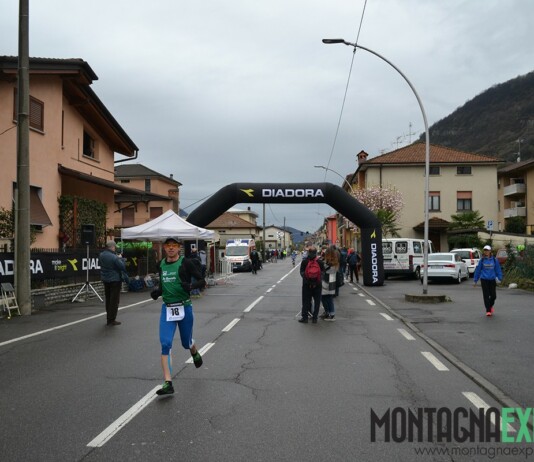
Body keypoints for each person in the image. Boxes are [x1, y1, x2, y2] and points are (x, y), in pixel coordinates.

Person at [150, 237, 206, 395]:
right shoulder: (160, 264)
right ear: (164, 248)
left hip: (184, 307)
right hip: (167, 309)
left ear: (178, 248)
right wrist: (157, 292)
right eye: (168, 246)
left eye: (174, 245)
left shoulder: (186, 263)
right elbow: (163, 285)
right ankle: (168, 383)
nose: (171, 248)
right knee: (165, 343)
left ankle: (193, 351)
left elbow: (202, 281)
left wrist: (191, 286)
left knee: (186, 343)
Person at [99, 240, 128, 326]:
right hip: (115, 280)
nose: (115, 248)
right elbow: (122, 267)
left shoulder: (101, 255)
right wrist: (121, 259)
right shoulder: (114, 257)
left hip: (105, 279)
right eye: (115, 247)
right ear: (112, 247)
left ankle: (108, 317)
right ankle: (111, 319)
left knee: (108, 299)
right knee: (114, 300)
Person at [473, 245, 503, 317]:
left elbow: (498, 269)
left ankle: (490, 306)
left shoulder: (494, 260)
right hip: (484, 279)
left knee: (493, 296)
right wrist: (475, 280)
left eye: (487, 250)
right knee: (486, 295)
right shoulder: (482, 260)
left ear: (490, 251)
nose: (486, 251)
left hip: (492, 279)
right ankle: (488, 310)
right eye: (485, 250)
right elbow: (478, 270)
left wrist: (499, 278)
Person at [299, 245, 325, 324]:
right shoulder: (320, 262)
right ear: (316, 253)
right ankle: (315, 318)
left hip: (307, 284)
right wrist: (317, 281)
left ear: (308, 252)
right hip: (317, 285)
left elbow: (302, 272)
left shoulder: (305, 262)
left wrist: (308, 280)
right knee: (317, 302)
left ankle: (305, 318)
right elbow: (323, 273)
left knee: (306, 301)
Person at [320, 246, 339, 321]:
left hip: (327, 282)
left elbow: (326, 270)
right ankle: (328, 312)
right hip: (332, 281)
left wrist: (322, 262)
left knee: (326, 298)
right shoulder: (334, 261)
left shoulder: (329, 262)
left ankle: (331, 314)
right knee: (327, 298)